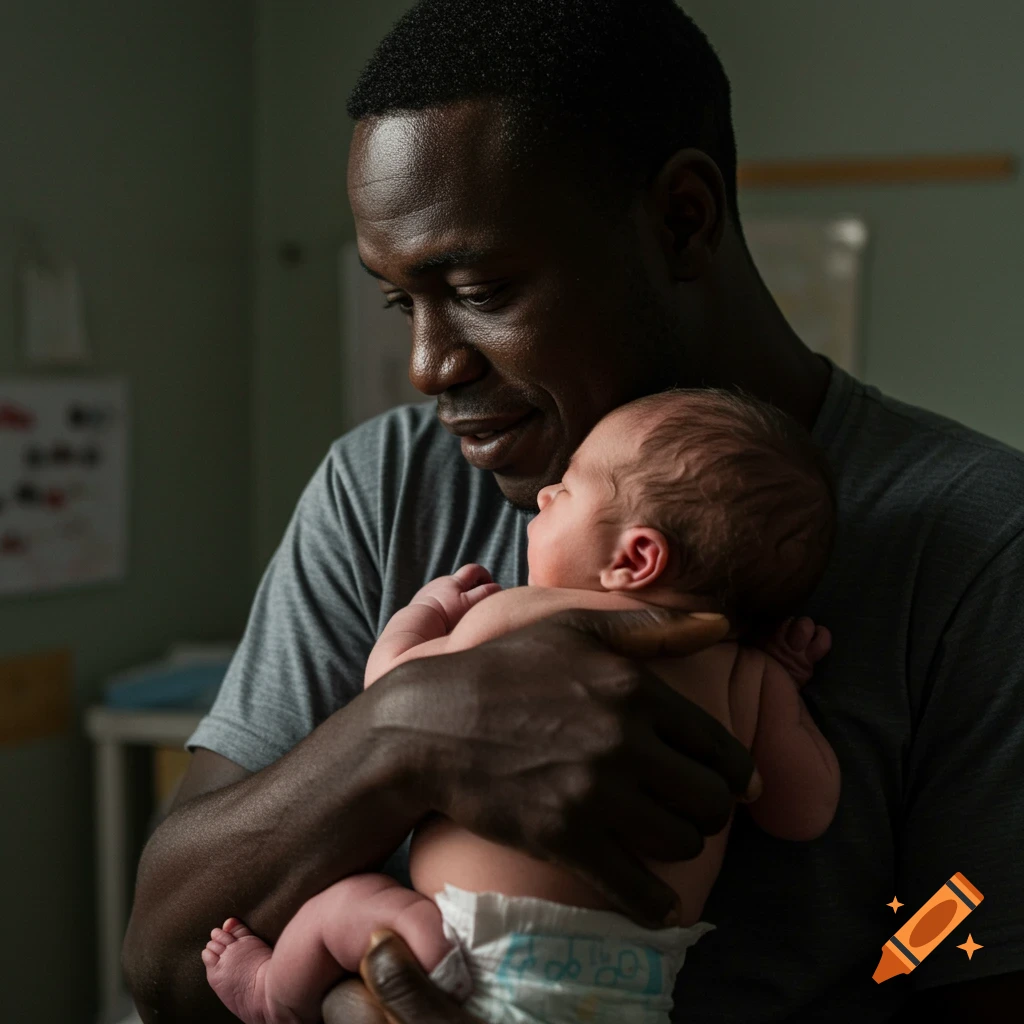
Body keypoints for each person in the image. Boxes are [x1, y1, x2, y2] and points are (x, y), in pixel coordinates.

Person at [123, 2, 1024, 1022]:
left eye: (480, 286)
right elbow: (163, 957)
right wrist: (406, 733)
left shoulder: (980, 544)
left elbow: (971, 938)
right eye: (399, 302)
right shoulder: (383, 486)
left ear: (682, 217)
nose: (428, 365)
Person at [198, 389, 839, 1024]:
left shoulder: (524, 614)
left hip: (463, 958)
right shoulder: (747, 677)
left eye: (570, 487)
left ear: (636, 557)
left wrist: (422, 617)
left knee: (349, 905)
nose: (544, 496)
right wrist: (783, 686)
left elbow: (394, 693)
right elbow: (804, 813)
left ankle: (270, 994)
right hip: (630, 990)